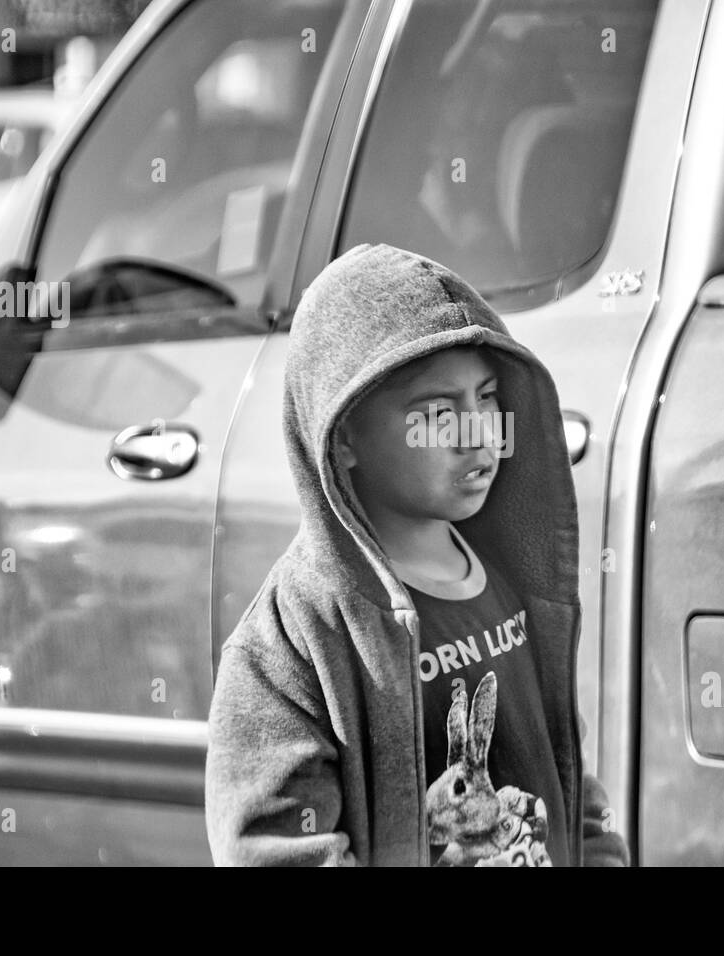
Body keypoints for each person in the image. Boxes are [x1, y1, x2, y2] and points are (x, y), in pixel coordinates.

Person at [205, 242, 628, 866]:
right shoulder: (292, 645)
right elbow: (275, 848)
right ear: (343, 435)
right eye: (437, 413)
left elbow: (566, 768)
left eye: (487, 399)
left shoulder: (515, 580)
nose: (479, 434)